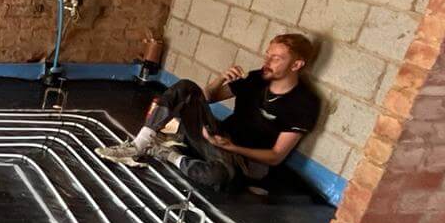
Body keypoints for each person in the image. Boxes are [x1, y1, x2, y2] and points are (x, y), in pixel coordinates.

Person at [98, 33, 321, 191]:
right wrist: (221, 78)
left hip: (242, 160)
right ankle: (138, 146)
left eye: (276, 58)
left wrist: (233, 147)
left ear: (296, 65)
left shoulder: (304, 103)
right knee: (185, 87)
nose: (267, 62)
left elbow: (275, 156)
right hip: (217, 137)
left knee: (218, 176)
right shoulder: (257, 78)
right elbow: (205, 98)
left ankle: (166, 153)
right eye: (267, 55)